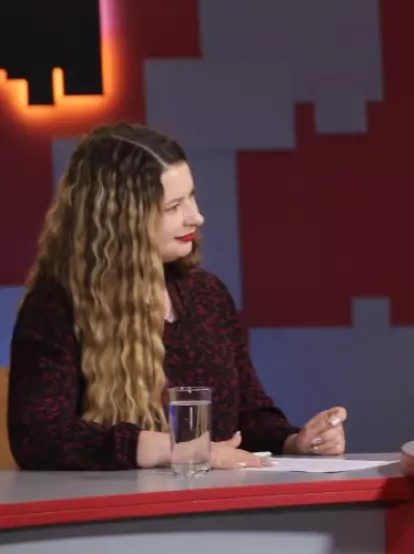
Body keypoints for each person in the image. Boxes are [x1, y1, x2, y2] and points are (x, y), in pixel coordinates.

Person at [6, 122, 349, 471]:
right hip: (122, 505)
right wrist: (176, 449)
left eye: (191, 197)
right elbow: (38, 435)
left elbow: (247, 414)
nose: (196, 217)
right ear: (122, 220)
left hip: (217, 500)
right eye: (173, 207)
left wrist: (295, 441)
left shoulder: (207, 296)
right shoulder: (56, 307)